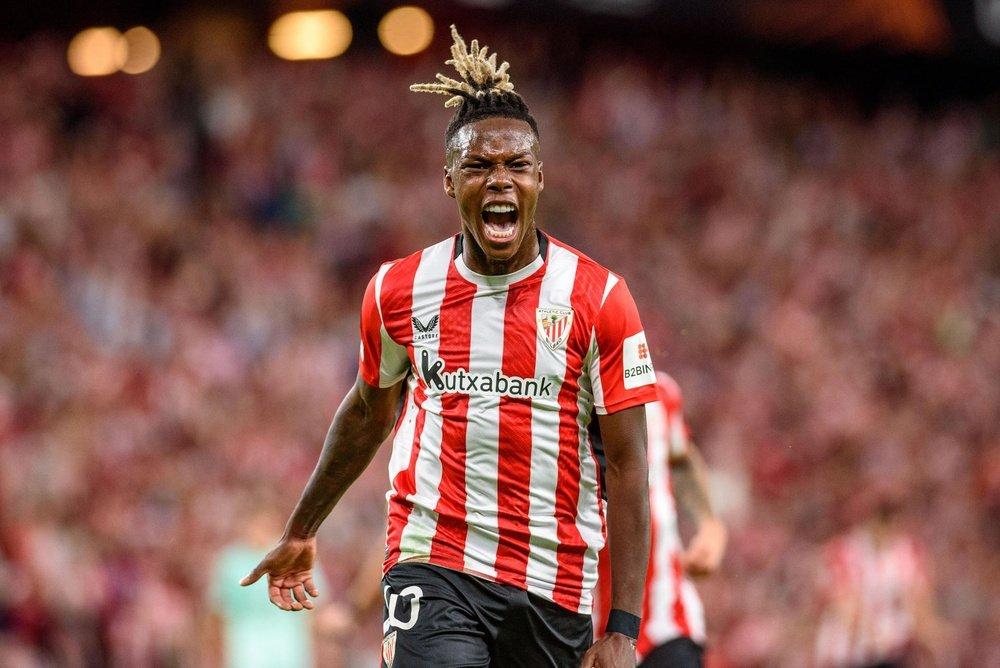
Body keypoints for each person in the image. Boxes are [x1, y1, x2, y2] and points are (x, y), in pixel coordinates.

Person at [239, 26, 659, 668]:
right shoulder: (399, 290)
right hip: (434, 563)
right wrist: (302, 528)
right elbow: (368, 412)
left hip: (553, 583)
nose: (499, 182)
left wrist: (624, 627)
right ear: (448, 180)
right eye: (478, 167)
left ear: (540, 178)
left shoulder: (599, 299)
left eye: (516, 166)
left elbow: (628, 464)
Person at [593, 371, 727, 667]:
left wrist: (709, 524)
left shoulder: (660, 392)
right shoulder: (553, 398)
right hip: (582, 630)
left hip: (667, 624)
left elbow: (680, 458)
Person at [814, 493, 951, 668]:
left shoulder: (909, 553)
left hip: (892, 653)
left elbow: (920, 604)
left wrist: (933, 637)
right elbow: (845, 608)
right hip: (849, 653)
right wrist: (878, 633)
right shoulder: (843, 552)